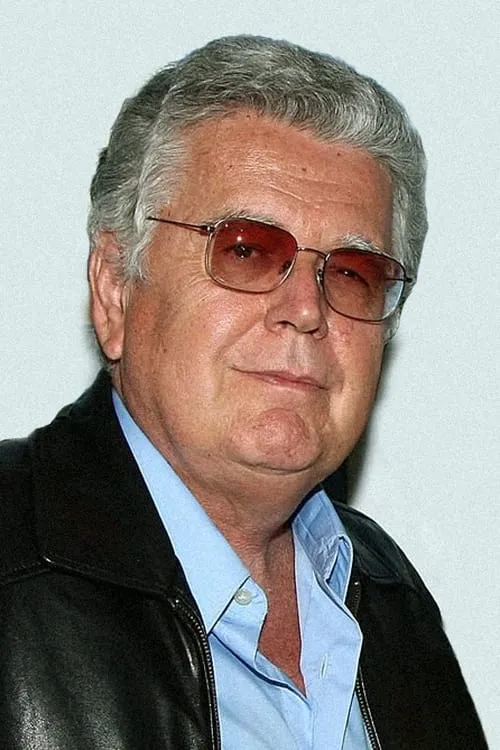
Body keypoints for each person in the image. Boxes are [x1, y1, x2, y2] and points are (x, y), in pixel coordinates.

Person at [0, 35, 487, 750]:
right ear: (114, 288)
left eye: (351, 273)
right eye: (247, 250)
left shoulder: (394, 602)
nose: (307, 309)